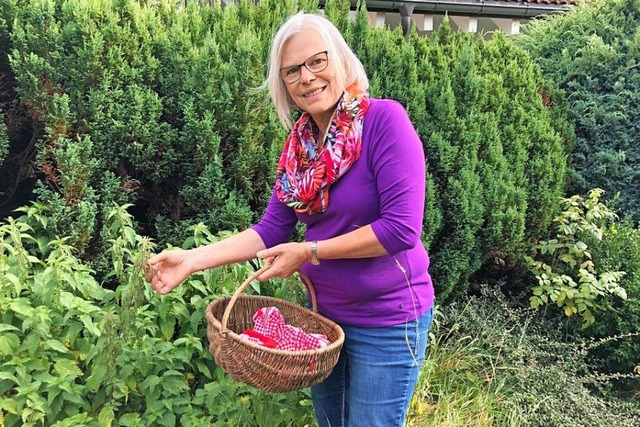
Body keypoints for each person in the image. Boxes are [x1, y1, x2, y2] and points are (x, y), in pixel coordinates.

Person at [145, 11, 435, 427]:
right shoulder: (299, 149)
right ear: (283, 84)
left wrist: (310, 251)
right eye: (292, 70)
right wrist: (191, 260)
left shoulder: (384, 122)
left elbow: (401, 229)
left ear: (340, 60)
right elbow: (270, 230)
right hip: (325, 322)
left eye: (318, 61)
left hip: (388, 318)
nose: (307, 77)